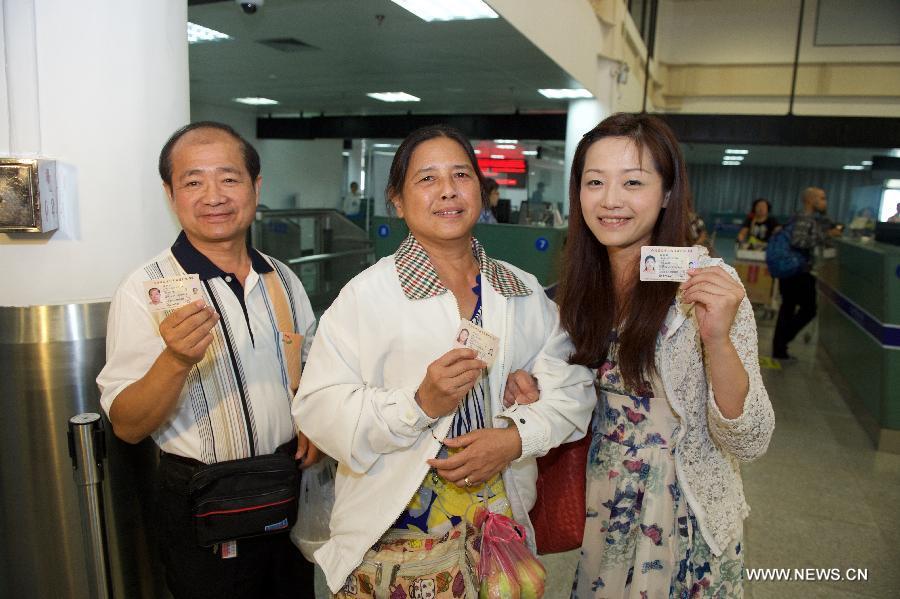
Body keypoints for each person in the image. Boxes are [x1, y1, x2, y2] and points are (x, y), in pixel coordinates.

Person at [292, 124, 595, 596]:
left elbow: (572, 388)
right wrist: (418, 403)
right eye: (427, 179)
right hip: (392, 542)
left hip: (497, 536)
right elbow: (319, 408)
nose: (448, 190)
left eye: (461, 175)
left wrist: (516, 436)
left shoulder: (519, 291)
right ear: (397, 199)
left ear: (480, 188)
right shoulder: (367, 297)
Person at [552, 113, 774, 597]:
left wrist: (716, 339)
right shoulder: (580, 290)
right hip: (606, 505)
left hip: (682, 511)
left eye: (633, 182)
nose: (611, 200)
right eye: (595, 182)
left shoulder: (707, 287)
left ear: (667, 193)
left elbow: (751, 439)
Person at [96, 121, 318, 599]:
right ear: (170, 194)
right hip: (202, 504)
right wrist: (176, 359)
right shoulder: (145, 290)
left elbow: (315, 377)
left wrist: (315, 423)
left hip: (285, 490)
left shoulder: (282, 279)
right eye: (193, 181)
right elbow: (129, 426)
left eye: (229, 178)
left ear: (256, 187)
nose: (213, 195)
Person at [771, 186, 841, 360]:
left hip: (792, 271)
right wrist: (826, 235)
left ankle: (780, 347)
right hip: (798, 272)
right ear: (810, 200)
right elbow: (799, 241)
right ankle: (782, 342)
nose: (825, 201)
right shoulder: (805, 219)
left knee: (788, 308)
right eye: (822, 198)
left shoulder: (803, 217)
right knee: (808, 309)